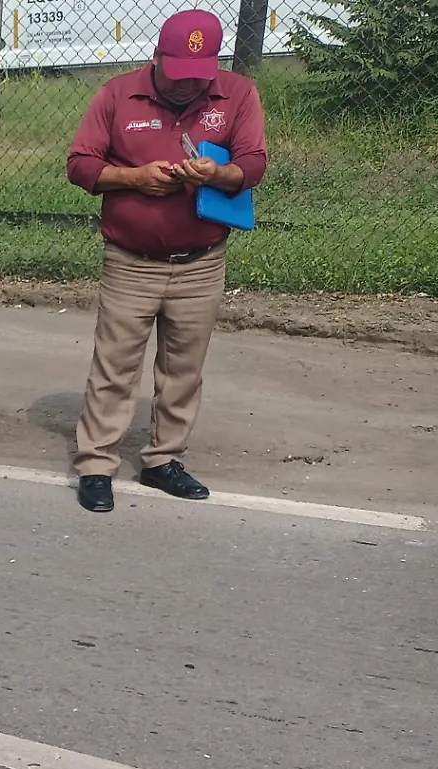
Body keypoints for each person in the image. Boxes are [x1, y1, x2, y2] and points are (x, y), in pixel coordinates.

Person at [65, 9, 266, 513]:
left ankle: (163, 460)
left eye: (197, 78)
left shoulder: (237, 93)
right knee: (114, 366)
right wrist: (135, 178)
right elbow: (80, 164)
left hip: (201, 261)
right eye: (176, 75)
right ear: (156, 56)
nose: (185, 88)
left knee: (183, 368)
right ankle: (96, 463)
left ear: (213, 66)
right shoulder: (117, 94)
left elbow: (254, 163)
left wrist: (216, 174)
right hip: (130, 260)